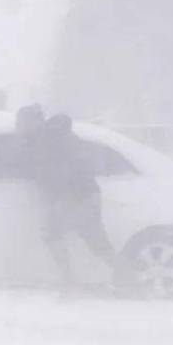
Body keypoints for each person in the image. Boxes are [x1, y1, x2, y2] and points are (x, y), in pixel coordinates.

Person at [27, 113, 124, 286]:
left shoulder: (51, 141)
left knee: (51, 233)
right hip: (88, 196)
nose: (19, 126)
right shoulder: (67, 139)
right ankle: (130, 279)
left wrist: (58, 197)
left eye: (22, 122)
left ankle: (69, 282)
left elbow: (59, 172)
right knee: (97, 244)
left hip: (75, 198)